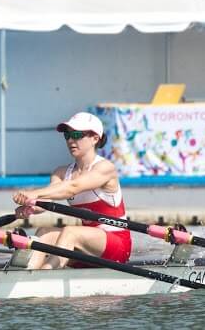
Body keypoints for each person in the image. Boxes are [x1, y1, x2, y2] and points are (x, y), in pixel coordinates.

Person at [12, 112, 131, 270]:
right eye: (67, 135)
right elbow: (47, 200)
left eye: (77, 135)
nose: (70, 140)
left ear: (95, 138)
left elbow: (72, 187)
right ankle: (26, 275)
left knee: (70, 232)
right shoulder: (61, 173)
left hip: (117, 245)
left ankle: (46, 277)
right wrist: (31, 207)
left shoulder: (105, 168)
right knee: (44, 232)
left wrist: (35, 193)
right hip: (86, 244)